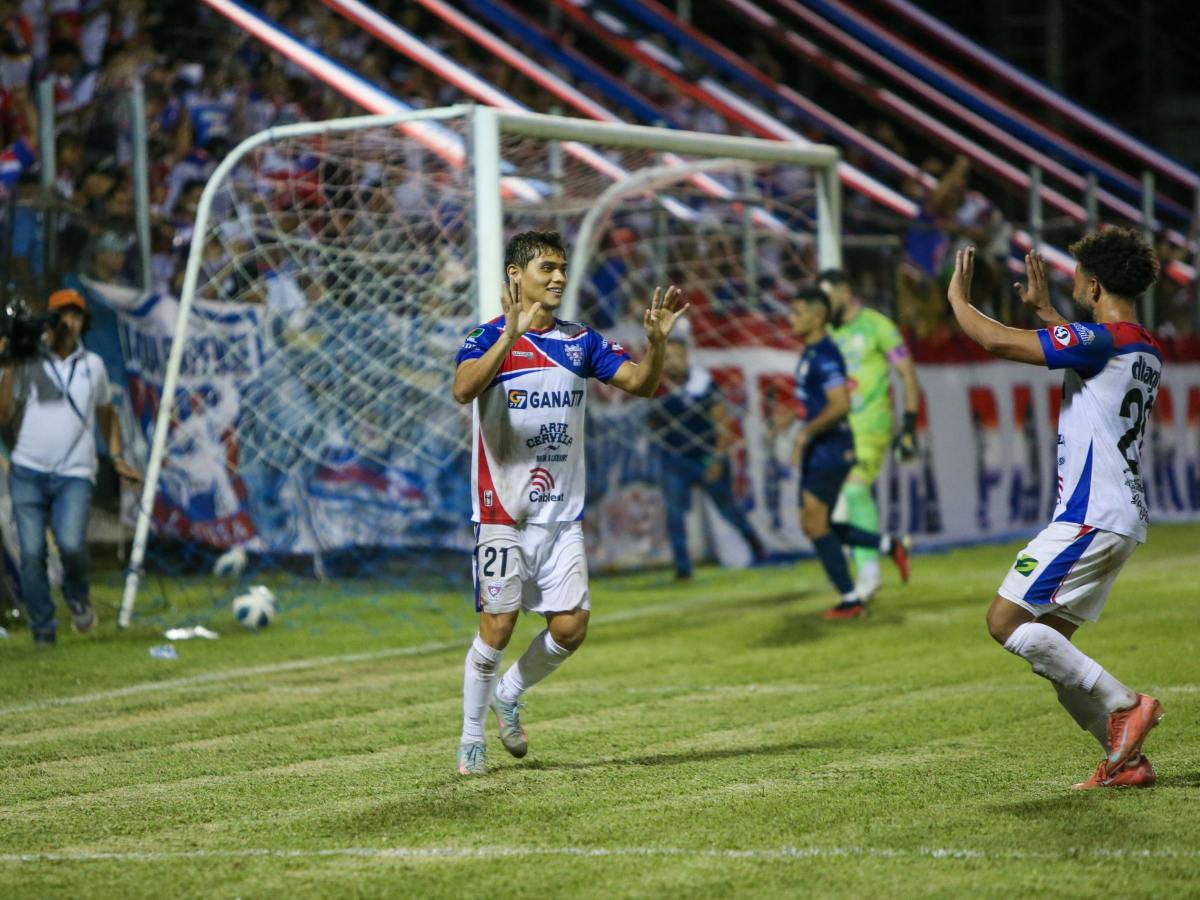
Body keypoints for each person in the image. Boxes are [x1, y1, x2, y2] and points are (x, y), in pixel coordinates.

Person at [451, 230, 688, 776]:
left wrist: (656, 345)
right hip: (503, 514)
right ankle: (471, 740)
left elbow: (641, 384)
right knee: (497, 629)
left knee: (570, 628)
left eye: (562, 267)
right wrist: (509, 338)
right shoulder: (485, 338)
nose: (559, 277)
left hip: (561, 515)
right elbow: (463, 390)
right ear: (516, 274)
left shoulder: (580, 341)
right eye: (547, 267)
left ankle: (509, 693)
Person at [945, 231, 1164, 789]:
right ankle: (1125, 763)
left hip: (1091, 514)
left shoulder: (1101, 341)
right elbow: (1087, 357)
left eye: (1078, 279)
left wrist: (958, 301)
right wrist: (1047, 313)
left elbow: (994, 341)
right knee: (1049, 646)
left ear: (1095, 287)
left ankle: (1125, 705)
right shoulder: (1143, 345)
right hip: (1120, 516)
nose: (1074, 286)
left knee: (1004, 622)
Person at [0, 288, 141, 645]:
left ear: (84, 322)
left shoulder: (93, 365)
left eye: (76, 315)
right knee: (31, 553)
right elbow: (4, 414)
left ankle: (77, 597)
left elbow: (106, 412)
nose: (69, 322)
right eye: (62, 315)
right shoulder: (29, 361)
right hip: (28, 470)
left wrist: (117, 457)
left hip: (75, 473)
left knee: (72, 544)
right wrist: (9, 364)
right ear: (47, 322)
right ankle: (43, 628)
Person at [789, 288, 909, 619]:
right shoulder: (812, 352)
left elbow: (840, 404)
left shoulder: (825, 355)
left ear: (817, 317)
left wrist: (806, 432)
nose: (791, 319)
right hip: (823, 447)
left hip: (830, 448)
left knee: (815, 524)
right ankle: (888, 546)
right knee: (818, 523)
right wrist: (793, 416)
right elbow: (817, 401)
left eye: (797, 313)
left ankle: (850, 598)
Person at [818, 269, 920, 601]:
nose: (824, 304)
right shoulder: (826, 331)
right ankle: (887, 548)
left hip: (871, 427)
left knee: (854, 489)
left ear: (845, 292)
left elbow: (906, 372)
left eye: (828, 296)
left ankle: (869, 573)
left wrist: (909, 421)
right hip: (836, 430)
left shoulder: (878, 326)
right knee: (826, 512)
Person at [646, 335, 765, 579]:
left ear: (686, 357)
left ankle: (755, 544)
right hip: (674, 460)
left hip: (706, 457)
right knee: (675, 514)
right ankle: (683, 568)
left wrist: (717, 459)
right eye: (666, 358)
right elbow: (652, 425)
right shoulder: (655, 387)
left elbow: (722, 422)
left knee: (727, 508)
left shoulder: (703, 383)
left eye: (676, 357)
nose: (671, 363)